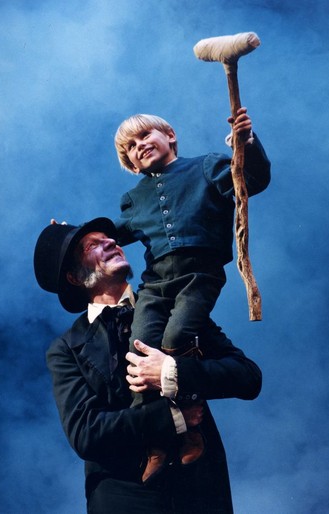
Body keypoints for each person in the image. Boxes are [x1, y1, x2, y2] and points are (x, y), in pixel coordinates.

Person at [34, 217, 262, 514]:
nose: (112, 242)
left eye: (110, 239)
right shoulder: (66, 349)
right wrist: (173, 418)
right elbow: (86, 433)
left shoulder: (176, 311)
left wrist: (173, 372)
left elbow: (247, 376)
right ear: (74, 278)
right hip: (122, 497)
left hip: (200, 492)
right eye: (94, 244)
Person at [113, 107, 270, 472]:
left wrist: (246, 144)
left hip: (199, 274)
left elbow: (251, 180)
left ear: (169, 135)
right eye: (131, 148)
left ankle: (191, 424)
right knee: (139, 349)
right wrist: (74, 234)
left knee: (178, 334)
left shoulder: (206, 166)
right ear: (132, 166)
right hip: (155, 283)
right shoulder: (135, 199)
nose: (140, 146)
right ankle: (155, 439)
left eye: (145, 136)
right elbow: (111, 233)